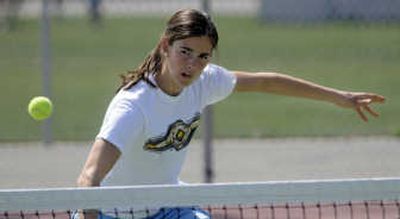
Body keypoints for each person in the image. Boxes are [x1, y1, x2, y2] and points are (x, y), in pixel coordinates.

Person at [75, 8, 385, 219]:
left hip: (168, 207)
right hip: (110, 213)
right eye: (185, 52)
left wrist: (339, 97)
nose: (193, 65)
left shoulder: (204, 82)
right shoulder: (133, 106)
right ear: (165, 45)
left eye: (203, 57)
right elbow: (89, 178)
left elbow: (267, 81)